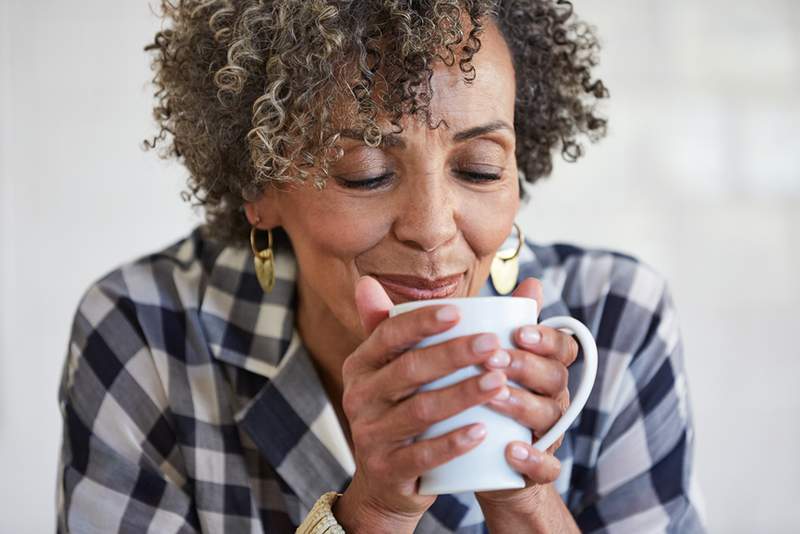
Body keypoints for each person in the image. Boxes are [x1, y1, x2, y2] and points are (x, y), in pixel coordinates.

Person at [56, 1, 706, 532]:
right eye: (365, 175)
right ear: (261, 185)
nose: (430, 228)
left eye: (479, 168)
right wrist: (373, 514)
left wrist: (522, 497)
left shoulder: (616, 326)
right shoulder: (146, 335)